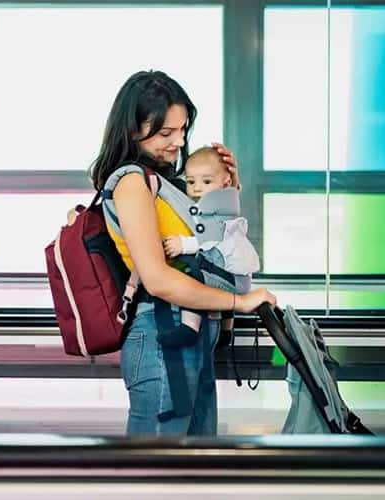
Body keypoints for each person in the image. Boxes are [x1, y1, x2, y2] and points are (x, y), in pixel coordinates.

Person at [87, 70, 277, 436]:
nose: (179, 141)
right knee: (158, 461)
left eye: (183, 129)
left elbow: (219, 240)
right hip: (163, 334)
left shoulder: (166, 184)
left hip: (187, 334)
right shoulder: (131, 183)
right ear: (132, 130)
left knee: (193, 457)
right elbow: (158, 279)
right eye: (165, 133)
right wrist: (239, 302)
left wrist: (227, 184)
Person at [161, 146, 260, 349]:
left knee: (193, 278)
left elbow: (210, 236)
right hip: (236, 275)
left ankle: (189, 328)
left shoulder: (215, 208)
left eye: (206, 182)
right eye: (191, 182)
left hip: (231, 277)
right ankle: (226, 330)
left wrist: (183, 244)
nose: (197, 188)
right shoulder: (227, 202)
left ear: (226, 183)